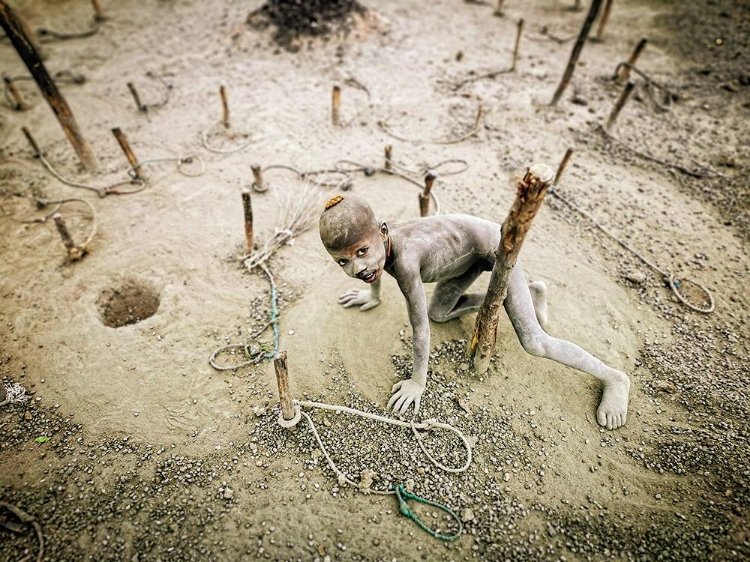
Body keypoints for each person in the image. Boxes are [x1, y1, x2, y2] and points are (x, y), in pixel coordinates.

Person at [319, 194, 630, 429]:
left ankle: (613, 378)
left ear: (382, 232)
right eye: (344, 262)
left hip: (494, 249)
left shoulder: (406, 260)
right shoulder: (378, 244)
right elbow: (373, 269)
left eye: (361, 252)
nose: (356, 266)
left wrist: (417, 381)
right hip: (466, 256)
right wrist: (372, 294)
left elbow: (419, 328)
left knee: (534, 342)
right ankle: (528, 296)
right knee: (440, 312)